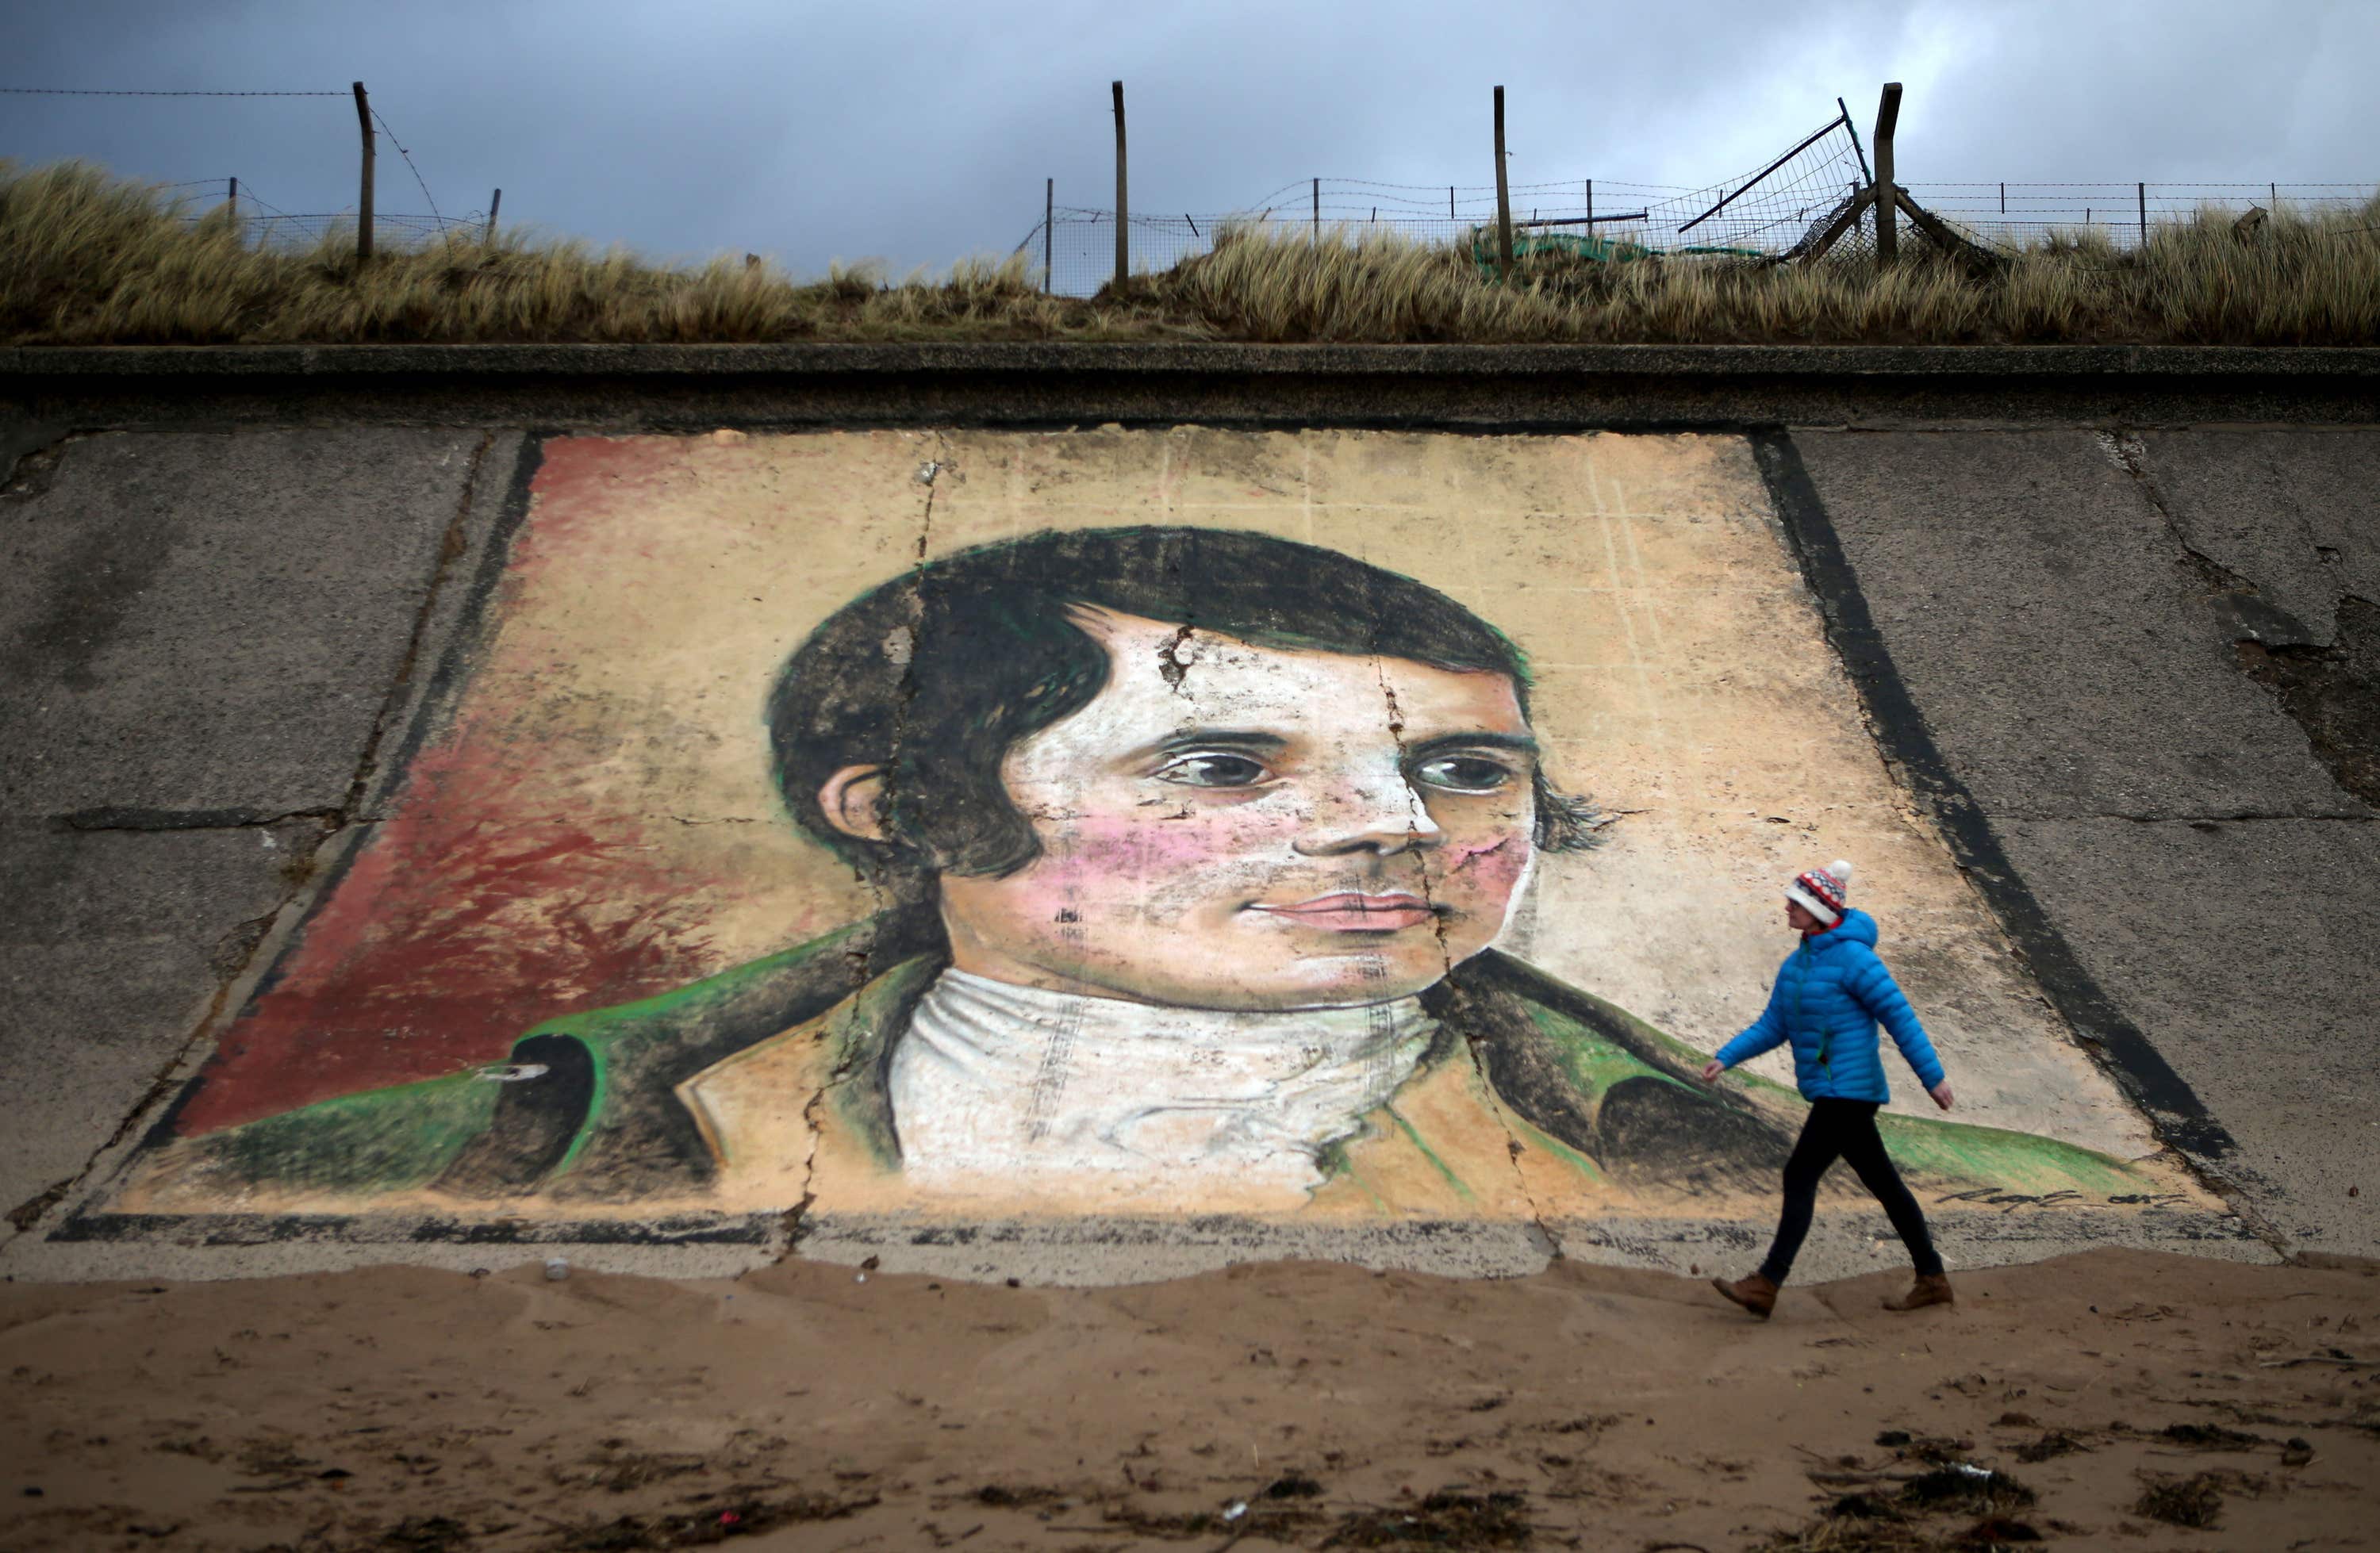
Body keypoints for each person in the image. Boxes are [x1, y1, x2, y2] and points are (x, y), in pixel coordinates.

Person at [117, 530, 2144, 1221]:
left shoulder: (1993, 1197)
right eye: (1222, 755)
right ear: (896, 804)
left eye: (1454, 766)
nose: (1389, 828)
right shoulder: (401, 1155)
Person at [1700, 861, 1954, 1317]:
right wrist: (1727, 1055)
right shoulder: (1796, 965)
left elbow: (1900, 1016)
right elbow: (1774, 1024)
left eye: (1796, 903)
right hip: (1831, 1091)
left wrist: (1931, 1077)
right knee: (1886, 1185)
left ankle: (1768, 1283)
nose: (1787, 909)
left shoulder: (1856, 960)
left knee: (1799, 1175)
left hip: (1849, 1091)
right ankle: (1932, 1277)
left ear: (1820, 910)